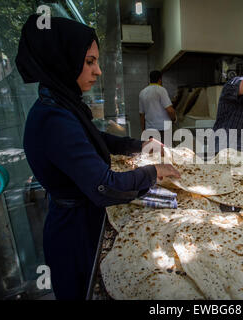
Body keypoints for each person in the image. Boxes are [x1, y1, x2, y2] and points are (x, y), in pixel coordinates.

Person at [16, 14, 180, 300]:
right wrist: (155, 172)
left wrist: (138, 145)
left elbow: (96, 139)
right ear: (63, 60)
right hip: (74, 235)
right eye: (90, 61)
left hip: (82, 219)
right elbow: (105, 186)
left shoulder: (62, 105)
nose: (99, 71)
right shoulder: (53, 117)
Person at [139, 70, 176, 142]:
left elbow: (141, 115)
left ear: (150, 79)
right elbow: (170, 110)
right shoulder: (161, 90)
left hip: (150, 129)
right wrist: (174, 119)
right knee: (165, 151)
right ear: (160, 79)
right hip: (164, 129)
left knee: (153, 152)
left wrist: (143, 131)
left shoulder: (142, 92)